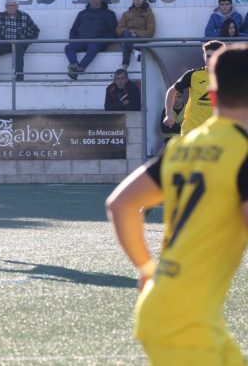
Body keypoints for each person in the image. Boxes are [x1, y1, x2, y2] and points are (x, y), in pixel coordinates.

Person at [106, 42, 248, 366]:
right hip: (186, 322)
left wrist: (146, 267)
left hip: (177, 311)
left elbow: (121, 204)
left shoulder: (182, 148)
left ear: (212, 97)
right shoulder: (241, 150)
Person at [163, 40, 225, 135]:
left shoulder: (230, 77)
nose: (211, 59)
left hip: (217, 133)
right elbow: (172, 91)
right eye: (208, 56)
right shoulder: (193, 75)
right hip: (191, 131)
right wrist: (169, 115)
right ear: (204, 56)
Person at [0, 0, 40, 82]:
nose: (11, 8)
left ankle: (19, 75)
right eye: (9, 6)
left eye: (13, 6)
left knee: (17, 44)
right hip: (5, 43)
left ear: (17, 7)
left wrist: (27, 41)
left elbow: (35, 30)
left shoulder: (24, 16)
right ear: (6, 7)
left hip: (20, 44)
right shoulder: (0, 17)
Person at [65, 0, 117, 80]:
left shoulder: (109, 14)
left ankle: (81, 67)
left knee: (93, 47)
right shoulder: (82, 14)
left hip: (97, 42)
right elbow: (73, 30)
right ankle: (74, 65)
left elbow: (113, 31)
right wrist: (73, 40)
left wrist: (103, 40)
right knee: (69, 47)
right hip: (82, 41)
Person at [116, 0, 156, 70]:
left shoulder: (149, 14)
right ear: (133, 0)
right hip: (129, 38)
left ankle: (125, 68)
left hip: (141, 40)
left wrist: (136, 33)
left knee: (125, 40)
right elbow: (118, 30)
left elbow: (150, 32)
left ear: (143, 0)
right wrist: (129, 31)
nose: (137, 1)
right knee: (126, 35)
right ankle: (135, 51)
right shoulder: (126, 14)